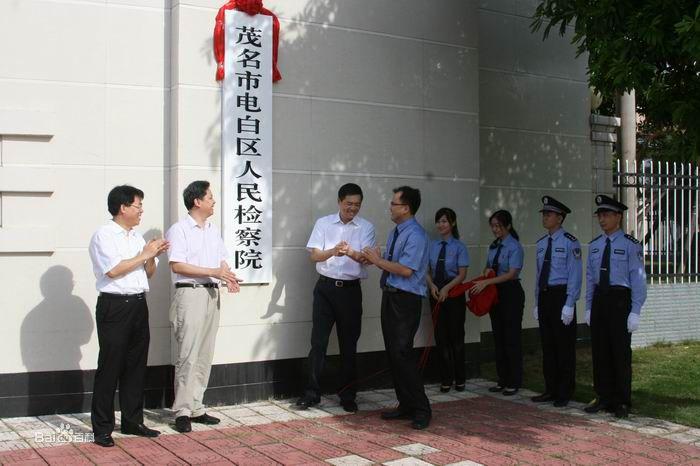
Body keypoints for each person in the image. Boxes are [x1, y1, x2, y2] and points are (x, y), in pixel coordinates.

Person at [88, 185, 169, 448]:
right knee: (110, 366)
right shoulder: (104, 235)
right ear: (123, 207)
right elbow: (113, 271)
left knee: (136, 365)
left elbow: (148, 273)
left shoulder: (135, 237)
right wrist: (144, 254)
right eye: (138, 206)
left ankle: (133, 421)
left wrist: (152, 255)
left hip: (137, 304)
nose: (141, 210)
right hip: (115, 306)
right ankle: (102, 428)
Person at [165, 180, 241, 433]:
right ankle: (182, 410)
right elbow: (177, 265)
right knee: (188, 353)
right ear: (196, 201)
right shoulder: (179, 230)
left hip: (211, 294)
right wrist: (214, 272)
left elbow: (222, 261)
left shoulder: (212, 230)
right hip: (190, 295)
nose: (213, 201)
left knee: (205, 353)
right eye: (209, 197)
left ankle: (197, 406)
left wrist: (228, 276)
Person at [295, 183, 376, 413]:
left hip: (350, 291)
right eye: (349, 203)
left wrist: (350, 252)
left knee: (349, 344)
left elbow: (368, 259)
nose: (353, 208)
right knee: (318, 343)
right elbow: (314, 255)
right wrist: (333, 251)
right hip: (325, 289)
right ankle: (311, 393)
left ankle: (348, 395)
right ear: (339, 202)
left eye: (357, 205)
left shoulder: (366, 227)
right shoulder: (324, 223)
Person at [362, 186, 432, 430]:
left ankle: (422, 408)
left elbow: (405, 270)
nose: (390, 207)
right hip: (390, 296)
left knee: (403, 353)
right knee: (394, 354)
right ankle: (406, 404)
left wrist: (377, 260)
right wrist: (376, 257)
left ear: (406, 208)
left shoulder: (416, 235)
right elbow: (391, 264)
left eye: (394, 203)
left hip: (406, 299)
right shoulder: (395, 232)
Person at [584, 195, 646, 418]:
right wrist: (589, 306)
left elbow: (638, 278)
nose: (602, 219)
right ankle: (603, 396)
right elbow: (591, 277)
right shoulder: (595, 246)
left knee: (620, 352)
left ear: (618, 217)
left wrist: (636, 310)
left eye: (607, 215)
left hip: (620, 301)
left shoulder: (630, 245)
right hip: (601, 299)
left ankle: (622, 401)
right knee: (600, 351)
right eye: (600, 215)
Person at [530, 196, 582, 407]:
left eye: (549, 214)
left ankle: (564, 391)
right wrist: (536, 301)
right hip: (545, 296)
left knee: (563, 347)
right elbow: (538, 274)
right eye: (544, 214)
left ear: (560, 218)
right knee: (548, 345)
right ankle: (550, 389)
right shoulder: (542, 243)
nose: (545, 217)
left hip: (561, 296)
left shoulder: (570, 242)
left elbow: (575, 275)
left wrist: (570, 303)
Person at [470, 209, 524, 396]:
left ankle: (514, 380)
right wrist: (486, 273)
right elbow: (488, 266)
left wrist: (487, 281)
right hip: (495, 293)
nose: (495, 230)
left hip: (510, 293)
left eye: (498, 226)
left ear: (508, 226)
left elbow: (511, 273)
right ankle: (502, 379)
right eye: (492, 226)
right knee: (498, 337)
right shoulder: (494, 246)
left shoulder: (514, 246)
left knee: (511, 338)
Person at [426, 208, 469, 393]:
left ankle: (460, 378)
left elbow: (462, 274)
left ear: (452, 223)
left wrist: (446, 288)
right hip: (436, 294)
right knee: (440, 337)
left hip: (453, 294)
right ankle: (445, 378)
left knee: (456, 337)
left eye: (444, 221)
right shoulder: (432, 246)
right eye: (438, 221)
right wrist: (432, 286)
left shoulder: (459, 247)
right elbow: (426, 270)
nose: (441, 225)